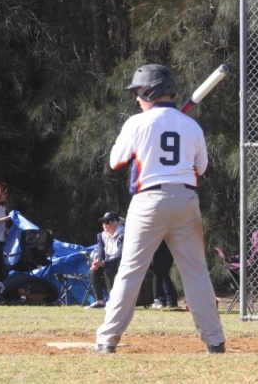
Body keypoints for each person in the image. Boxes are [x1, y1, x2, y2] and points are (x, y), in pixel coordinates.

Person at [93, 64, 225, 354]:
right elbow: (200, 168)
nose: (137, 98)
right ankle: (214, 340)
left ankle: (107, 339)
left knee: (130, 271)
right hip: (187, 202)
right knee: (196, 272)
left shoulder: (136, 123)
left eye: (139, 92)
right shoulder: (191, 125)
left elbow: (116, 161)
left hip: (148, 202)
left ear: (152, 91)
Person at [86, 212, 125, 309]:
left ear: (116, 222)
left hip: (122, 263)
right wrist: (97, 262)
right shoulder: (101, 235)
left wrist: (103, 263)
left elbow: (119, 256)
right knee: (93, 271)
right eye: (103, 222)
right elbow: (101, 254)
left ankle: (113, 300)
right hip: (107, 263)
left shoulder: (124, 234)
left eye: (108, 222)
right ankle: (100, 301)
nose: (104, 225)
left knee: (108, 270)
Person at [152, 240, 178, 309]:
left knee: (161, 273)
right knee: (163, 273)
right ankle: (165, 300)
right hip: (170, 244)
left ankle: (170, 300)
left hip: (161, 244)